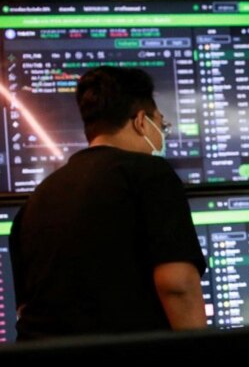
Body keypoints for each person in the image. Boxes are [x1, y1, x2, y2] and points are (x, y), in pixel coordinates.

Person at [12, 66, 207, 340]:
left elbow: (25, 308)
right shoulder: (150, 174)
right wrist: (205, 361)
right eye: (161, 126)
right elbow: (177, 284)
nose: (162, 136)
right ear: (141, 121)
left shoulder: (36, 199)